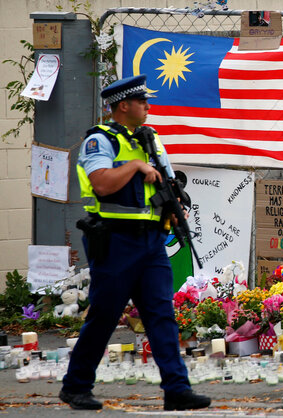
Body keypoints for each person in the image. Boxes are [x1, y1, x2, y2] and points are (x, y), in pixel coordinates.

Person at [60, 75, 211, 411]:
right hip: (115, 241)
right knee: (104, 315)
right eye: (142, 101)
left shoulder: (152, 139)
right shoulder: (100, 141)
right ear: (123, 105)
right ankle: (76, 386)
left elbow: (168, 182)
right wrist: (135, 165)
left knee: (162, 315)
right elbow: (101, 184)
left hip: (151, 242)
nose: (148, 106)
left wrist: (176, 207)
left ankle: (177, 389)